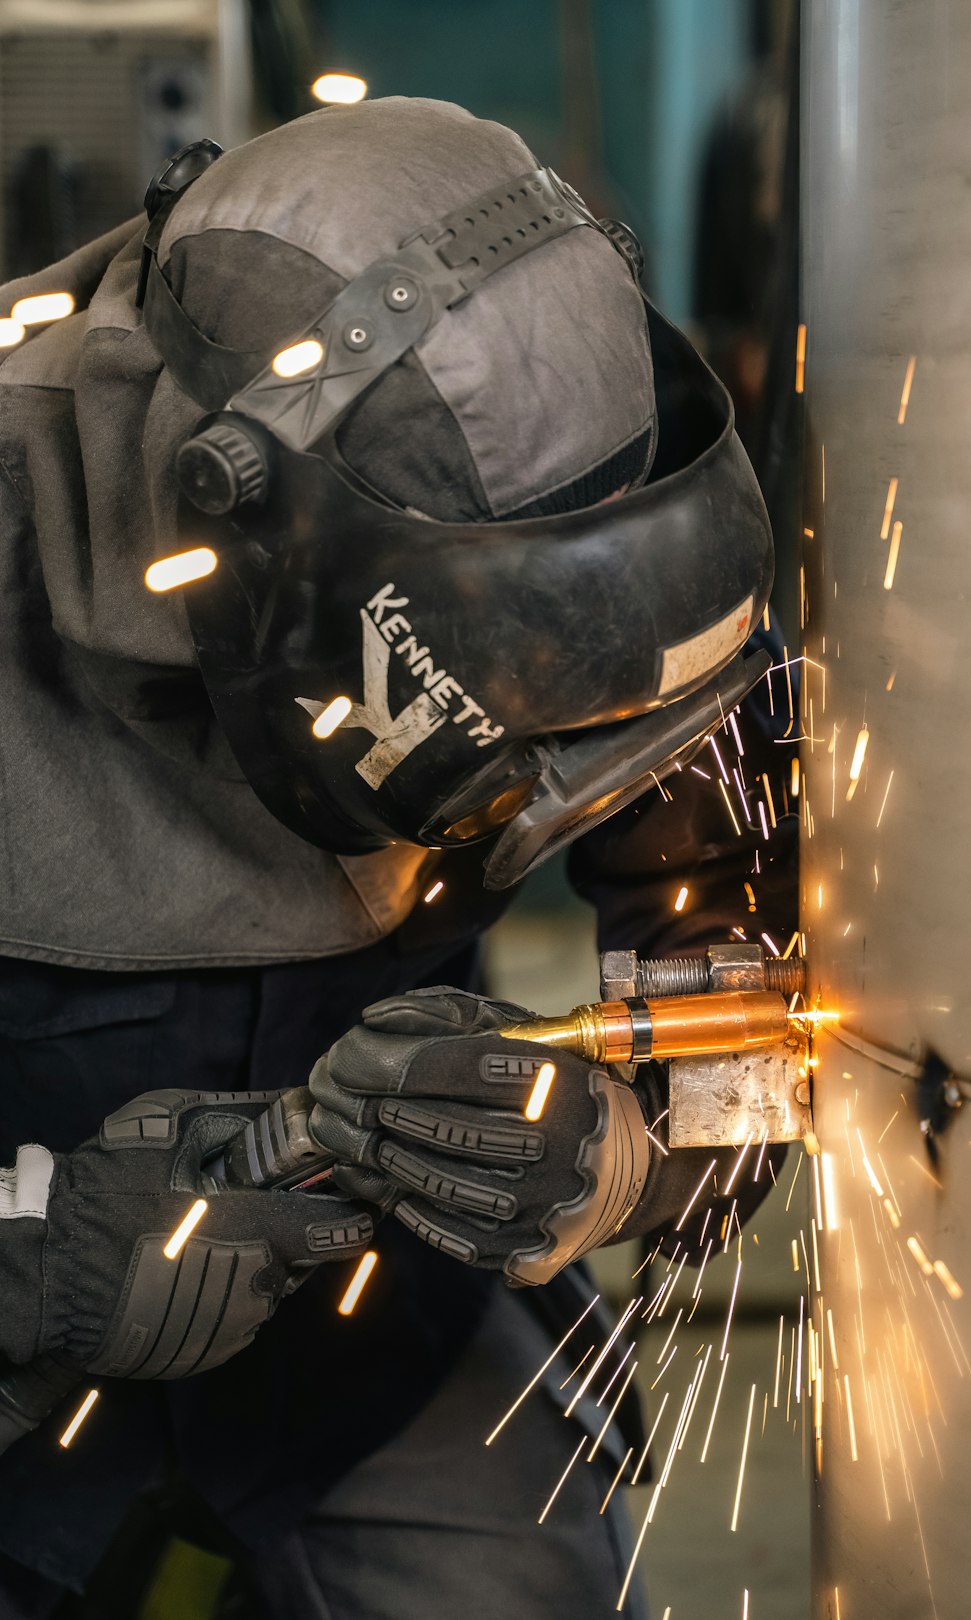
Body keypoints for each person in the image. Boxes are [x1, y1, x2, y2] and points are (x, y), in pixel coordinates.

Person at [0, 98, 796, 1618]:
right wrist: (46, 1254)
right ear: (264, 540)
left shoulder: (594, 529)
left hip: (374, 1321)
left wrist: (626, 1157)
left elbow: (744, 1014)